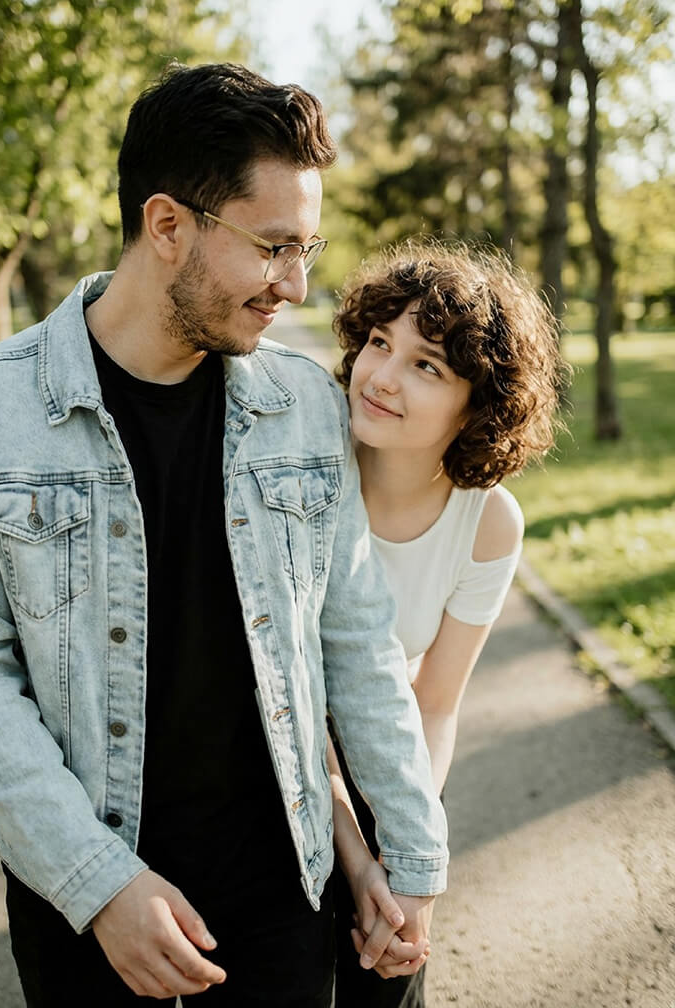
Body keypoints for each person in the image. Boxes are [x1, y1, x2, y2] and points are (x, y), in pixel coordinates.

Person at [0, 63, 448, 1006]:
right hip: (79, 886)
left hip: (283, 881)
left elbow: (357, 644)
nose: (298, 284)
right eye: (275, 248)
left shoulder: (303, 406)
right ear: (167, 226)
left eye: (308, 246)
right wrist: (101, 885)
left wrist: (408, 857)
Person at [326, 240, 568, 1007]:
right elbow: (294, 705)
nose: (383, 377)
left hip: (380, 750)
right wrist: (354, 848)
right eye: (378, 343)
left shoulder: (488, 522)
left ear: (479, 403)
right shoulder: (308, 471)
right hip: (264, 748)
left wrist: (402, 842)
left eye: (427, 365)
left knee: (395, 947)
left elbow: (433, 704)